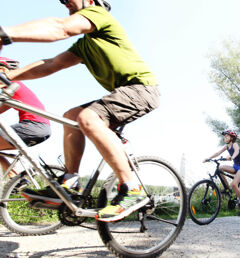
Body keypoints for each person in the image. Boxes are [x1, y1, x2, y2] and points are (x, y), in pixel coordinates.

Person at [0, 0, 159, 222]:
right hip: (123, 92)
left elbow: (60, 27)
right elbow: (51, 64)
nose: (66, 5)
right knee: (71, 117)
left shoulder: (100, 16)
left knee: (88, 118)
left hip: (141, 89)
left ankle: (132, 189)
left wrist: (4, 33)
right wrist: (8, 78)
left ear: (90, 1)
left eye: (69, 0)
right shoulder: (85, 46)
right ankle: (70, 182)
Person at [0, 57, 51, 177]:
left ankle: (15, 175)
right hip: (41, 129)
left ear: (3, 70)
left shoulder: (12, 85)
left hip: (32, 126)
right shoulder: (14, 88)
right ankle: (16, 179)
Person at [203, 130, 240, 216]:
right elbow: (218, 153)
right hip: (235, 167)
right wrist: (208, 158)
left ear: (232, 138)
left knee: (234, 184)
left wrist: (231, 157)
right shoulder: (227, 146)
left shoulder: (235, 144)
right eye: (225, 136)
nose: (225, 137)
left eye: (227, 136)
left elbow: (236, 151)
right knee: (220, 168)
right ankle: (227, 188)